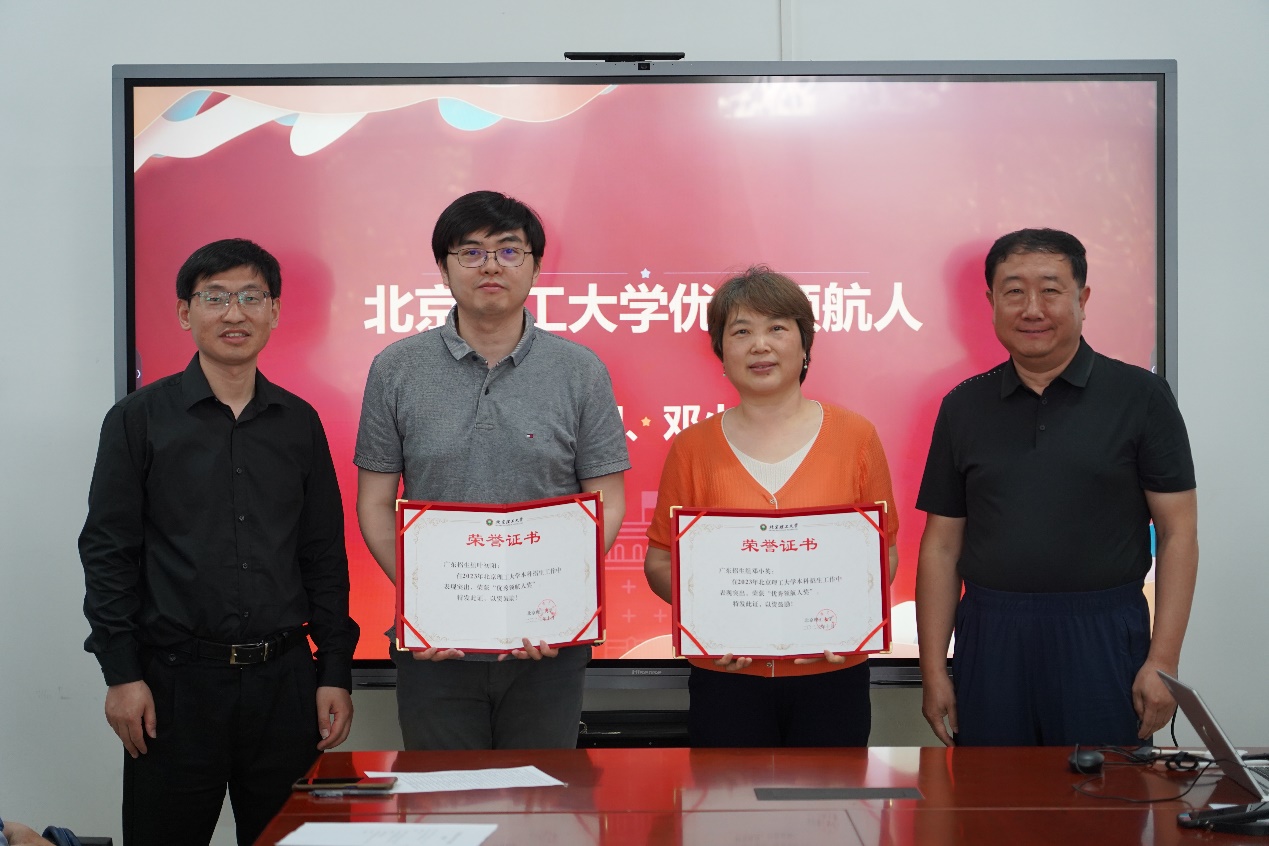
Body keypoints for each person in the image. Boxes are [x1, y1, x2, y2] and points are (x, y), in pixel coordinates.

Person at [79, 238, 360, 846]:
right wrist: (121, 674)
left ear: (274, 311)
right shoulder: (137, 419)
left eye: (252, 297)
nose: (235, 313)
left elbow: (322, 555)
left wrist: (334, 670)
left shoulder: (300, 422)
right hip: (174, 688)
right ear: (186, 312)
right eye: (216, 297)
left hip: (284, 686)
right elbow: (107, 552)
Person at [355, 190, 630, 750]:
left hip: (547, 647)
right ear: (443, 268)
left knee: (540, 797)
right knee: (444, 797)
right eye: (471, 252)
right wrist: (426, 600)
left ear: (534, 265)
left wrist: (555, 594)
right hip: (435, 648)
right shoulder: (396, 369)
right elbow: (375, 502)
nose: (491, 267)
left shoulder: (580, 370)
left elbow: (607, 500)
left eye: (508, 251)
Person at [915, 228, 1198, 747]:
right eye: (1014, 291)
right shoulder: (963, 406)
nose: (1032, 308)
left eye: (1050, 290)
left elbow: (1178, 533)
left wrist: (1163, 661)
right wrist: (932, 669)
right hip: (991, 636)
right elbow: (941, 546)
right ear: (991, 302)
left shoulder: (1141, 396)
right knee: (994, 794)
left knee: (1105, 793)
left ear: (1082, 299)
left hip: (1103, 635)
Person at [643, 267, 899, 747]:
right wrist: (711, 620)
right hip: (726, 674)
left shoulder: (856, 438)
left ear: (805, 346)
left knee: (834, 794)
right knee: (726, 794)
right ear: (721, 353)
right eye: (741, 332)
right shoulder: (692, 448)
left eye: (777, 328)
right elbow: (659, 561)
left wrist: (846, 618)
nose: (759, 345)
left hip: (832, 672)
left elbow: (883, 553)